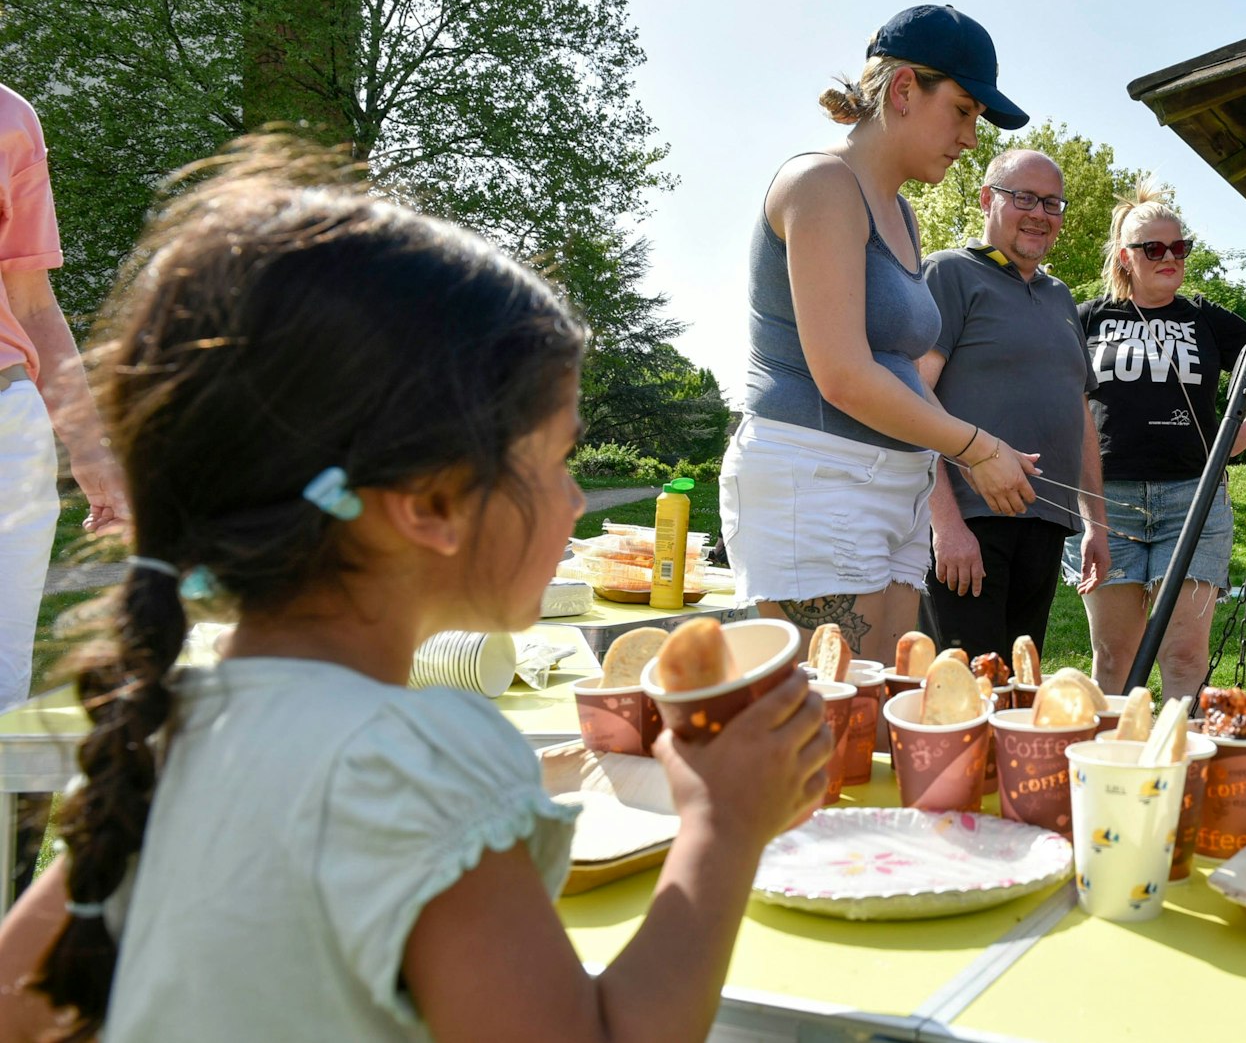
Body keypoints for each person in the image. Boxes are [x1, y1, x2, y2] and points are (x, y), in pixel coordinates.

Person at [0, 138, 832, 1041]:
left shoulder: (171, 731)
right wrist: (724, 826)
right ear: (432, 502)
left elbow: (17, 1000)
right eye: (557, 460)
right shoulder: (419, 764)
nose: (579, 501)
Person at [724, 5, 1037, 666]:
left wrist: (985, 447)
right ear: (902, 91)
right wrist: (975, 447)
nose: (971, 138)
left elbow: (896, 371)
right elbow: (841, 373)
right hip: (819, 477)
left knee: (877, 722)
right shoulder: (822, 184)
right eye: (962, 110)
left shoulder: (900, 214)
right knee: (834, 727)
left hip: (890, 488)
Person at [1069, 181, 1246, 698]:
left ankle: (1179, 769)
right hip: (1109, 502)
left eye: (1179, 247)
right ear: (1126, 257)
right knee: (1115, 656)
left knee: (1185, 653)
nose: (1169, 257)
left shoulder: (1205, 319)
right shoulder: (1088, 318)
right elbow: (1060, 398)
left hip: (1193, 499)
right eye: (1154, 248)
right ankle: (1118, 769)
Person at [920, 150, 1106, 661]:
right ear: (986, 199)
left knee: (1017, 690)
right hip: (971, 526)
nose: (1040, 214)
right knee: (964, 691)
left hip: (1047, 526)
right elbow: (913, 399)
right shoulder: (949, 273)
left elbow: (1081, 416)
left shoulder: (1060, 295)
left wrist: (1095, 524)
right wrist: (947, 527)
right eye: (1023, 197)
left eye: (1052, 203)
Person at [0, 81, 124, 710]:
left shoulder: (10, 118)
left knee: (2, 686)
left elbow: (31, 302)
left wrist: (91, 446)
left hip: (7, 431)